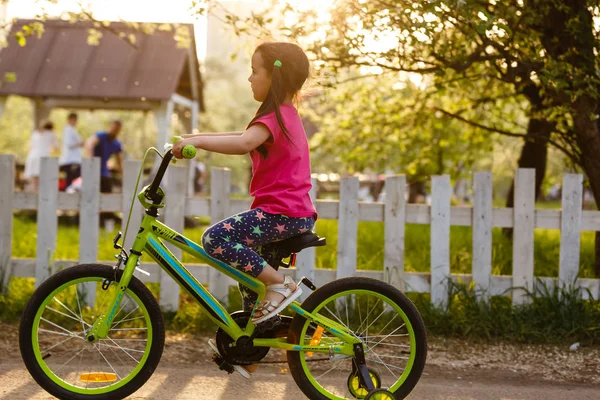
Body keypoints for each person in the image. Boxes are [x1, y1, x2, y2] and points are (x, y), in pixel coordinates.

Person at [173, 42, 316, 378]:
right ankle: (250, 347)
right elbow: (241, 134)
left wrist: (197, 143)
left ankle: (282, 285)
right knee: (250, 279)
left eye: (255, 71)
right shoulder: (280, 116)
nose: (249, 78)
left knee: (215, 238)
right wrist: (193, 137)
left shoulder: (276, 117)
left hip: (284, 214)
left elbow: (242, 143)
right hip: (285, 211)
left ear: (274, 77)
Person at [85, 120, 124, 193]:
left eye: (117, 129)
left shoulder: (116, 144)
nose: (114, 131)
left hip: (104, 173)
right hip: (93, 172)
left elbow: (119, 162)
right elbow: (89, 143)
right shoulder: (101, 136)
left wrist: (122, 176)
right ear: (110, 127)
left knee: (107, 194)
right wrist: (91, 160)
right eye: (113, 128)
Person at [24, 120, 59, 192]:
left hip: (32, 156)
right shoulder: (52, 134)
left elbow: (31, 146)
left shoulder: (35, 133)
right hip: (44, 156)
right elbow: (56, 148)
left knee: (34, 178)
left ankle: (34, 192)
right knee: (43, 177)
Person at [59, 112, 83, 190]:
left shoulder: (72, 130)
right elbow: (69, 144)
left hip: (74, 159)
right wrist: (80, 144)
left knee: (71, 178)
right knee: (70, 178)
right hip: (70, 159)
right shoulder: (68, 130)